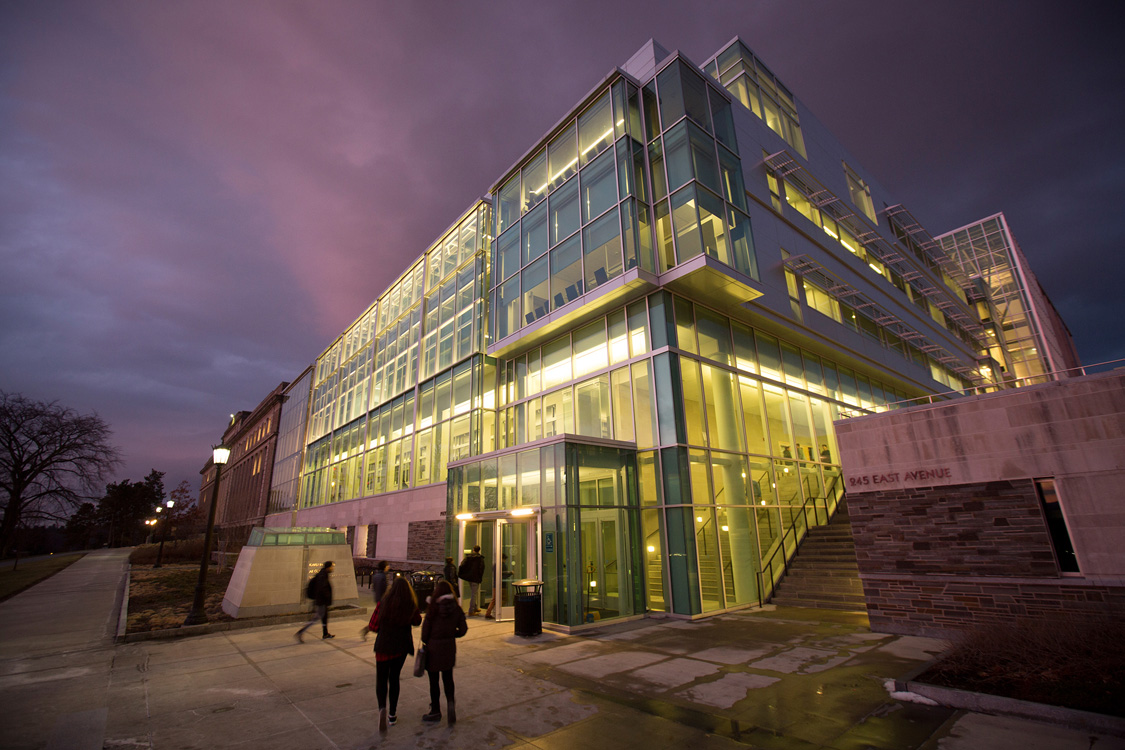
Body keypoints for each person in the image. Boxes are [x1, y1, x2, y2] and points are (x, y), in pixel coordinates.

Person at [369, 575, 421, 732]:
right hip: (400, 647)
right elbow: (417, 621)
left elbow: (372, 625)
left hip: (384, 646)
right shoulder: (409, 604)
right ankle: (392, 714)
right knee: (394, 679)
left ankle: (382, 709)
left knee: (381, 679)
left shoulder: (383, 603)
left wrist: (382, 629)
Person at [421, 579, 467, 725]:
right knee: (448, 679)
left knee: (433, 682)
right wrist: (453, 634)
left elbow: (424, 633)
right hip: (448, 648)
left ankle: (435, 710)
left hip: (433, 649)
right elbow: (463, 629)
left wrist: (429, 641)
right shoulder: (456, 609)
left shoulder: (432, 608)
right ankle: (451, 705)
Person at [296, 561, 334, 642]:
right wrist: (326, 597)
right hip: (321, 601)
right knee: (315, 619)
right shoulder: (323, 576)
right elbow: (322, 589)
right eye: (332, 566)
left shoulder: (323, 574)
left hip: (321, 601)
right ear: (328, 567)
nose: (332, 568)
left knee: (324, 617)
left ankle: (325, 634)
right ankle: (301, 632)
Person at [360, 560, 391, 639]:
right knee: (380, 618)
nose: (389, 567)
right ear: (384, 567)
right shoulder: (384, 576)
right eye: (387, 565)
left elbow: (374, 588)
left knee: (379, 617)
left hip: (378, 599)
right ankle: (368, 629)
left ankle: (369, 629)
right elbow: (386, 589)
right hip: (384, 600)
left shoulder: (376, 575)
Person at [457, 546, 485, 616]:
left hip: (469, 577)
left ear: (473, 550)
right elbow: (481, 568)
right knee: (474, 594)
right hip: (475, 578)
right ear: (479, 550)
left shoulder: (468, 557)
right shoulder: (480, 559)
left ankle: (475, 607)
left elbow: (462, 565)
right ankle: (471, 610)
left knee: (473, 593)